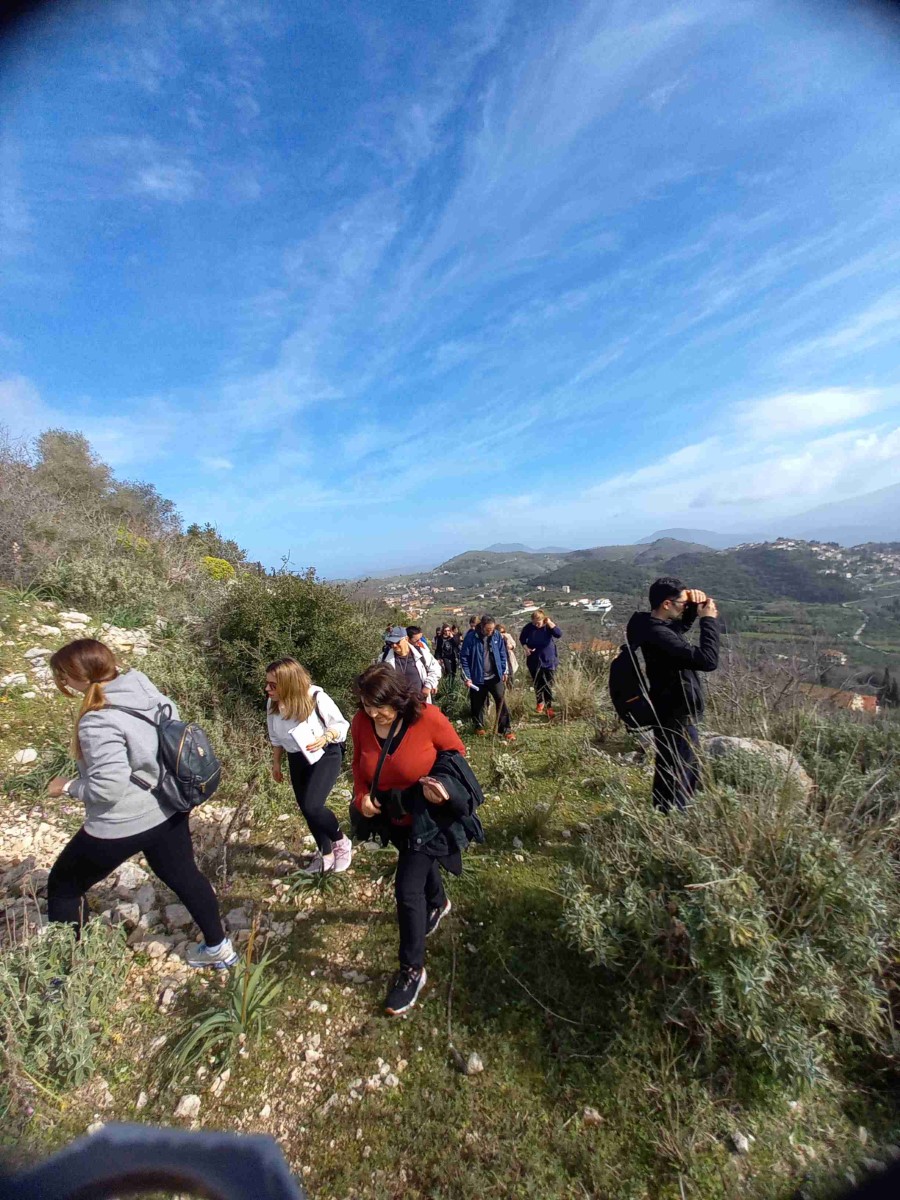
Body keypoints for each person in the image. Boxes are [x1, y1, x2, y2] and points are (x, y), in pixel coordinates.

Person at [45, 639, 235, 969]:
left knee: (63, 887)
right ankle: (219, 947)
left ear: (75, 676)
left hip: (123, 821)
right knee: (184, 875)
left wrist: (69, 786)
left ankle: (64, 975)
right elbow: (171, 724)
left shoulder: (98, 720)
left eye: (63, 678)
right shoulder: (142, 686)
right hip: (168, 806)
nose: (64, 685)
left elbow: (108, 786)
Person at [351, 665, 483, 1015]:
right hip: (392, 816)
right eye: (366, 705)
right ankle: (438, 902)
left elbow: (456, 756)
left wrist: (440, 786)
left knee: (407, 890)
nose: (373, 713)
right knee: (416, 864)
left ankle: (412, 970)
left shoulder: (428, 718)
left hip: (427, 817)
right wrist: (360, 796)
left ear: (399, 697)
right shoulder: (361, 723)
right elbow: (358, 766)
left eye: (380, 706)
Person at [625, 577, 720, 813]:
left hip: (668, 708)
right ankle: (675, 819)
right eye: (681, 603)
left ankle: (663, 813)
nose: (684, 607)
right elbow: (708, 661)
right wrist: (708, 620)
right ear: (666, 604)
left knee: (670, 765)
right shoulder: (657, 634)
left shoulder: (649, 626)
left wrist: (690, 607)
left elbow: (677, 630)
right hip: (676, 711)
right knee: (681, 770)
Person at [266, 657, 352, 874]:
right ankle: (325, 854)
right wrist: (276, 763)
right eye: (267, 684)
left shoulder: (315, 697)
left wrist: (326, 737)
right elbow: (275, 738)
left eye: (273, 685)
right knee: (306, 809)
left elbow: (341, 725)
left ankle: (340, 840)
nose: (267, 689)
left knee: (313, 805)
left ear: (288, 683)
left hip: (326, 753)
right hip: (297, 757)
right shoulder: (273, 703)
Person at [460, 615, 515, 740]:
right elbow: (464, 658)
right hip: (477, 677)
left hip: (494, 676)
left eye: (492, 629)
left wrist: (504, 671)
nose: (490, 632)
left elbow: (502, 654)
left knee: (501, 701)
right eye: (488, 629)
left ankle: (505, 729)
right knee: (478, 704)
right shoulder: (471, 637)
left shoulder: (496, 636)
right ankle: (479, 726)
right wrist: (467, 677)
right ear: (482, 627)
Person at [379, 626, 441, 703]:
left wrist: (428, 686)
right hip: (397, 705)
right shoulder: (384, 658)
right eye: (391, 643)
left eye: (397, 642)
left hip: (420, 702)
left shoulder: (421, 653)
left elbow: (435, 669)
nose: (394, 645)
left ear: (406, 639)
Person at [519, 609, 563, 716]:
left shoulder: (548, 626)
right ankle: (539, 702)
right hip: (534, 659)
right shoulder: (529, 627)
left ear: (543, 619)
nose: (536, 625)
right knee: (537, 683)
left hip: (548, 659)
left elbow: (558, 634)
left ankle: (549, 706)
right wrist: (526, 648)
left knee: (547, 684)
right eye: (534, 622)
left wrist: (549, 623)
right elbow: (522, 639)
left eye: (538, 622)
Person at [434, 623, 461, 689]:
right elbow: (438, 649)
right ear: (443, 631)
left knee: (454, 672)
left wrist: (452, 638)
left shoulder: (452, 637)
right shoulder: (440, 638)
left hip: (453, 656)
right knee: (449, 671)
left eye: (448, 630)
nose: (447, 632)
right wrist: (437, 658)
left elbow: (456, 645)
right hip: (445, 656)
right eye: (445, 631)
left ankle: (452, 686)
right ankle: (448, 687)